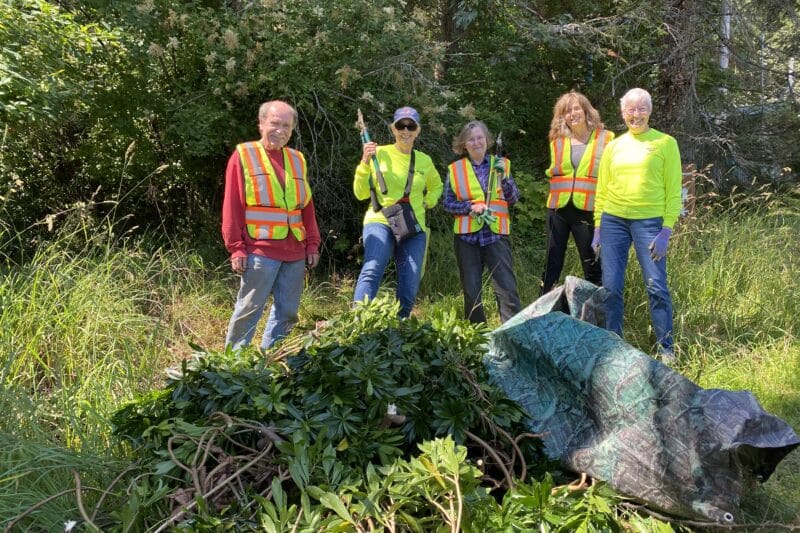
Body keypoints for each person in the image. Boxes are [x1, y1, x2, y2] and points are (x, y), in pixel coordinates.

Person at [222, 100, 321, 351]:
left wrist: (312, 244)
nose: (281, 130)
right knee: (248, 310)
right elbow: (232, 204)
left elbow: (306, 206)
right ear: (261, 123)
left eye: (286, 125)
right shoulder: (244, 155)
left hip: (295, 252)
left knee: (287, 312)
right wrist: (236, 247)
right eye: (275, 123)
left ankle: (272, 362)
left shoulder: (298, 159)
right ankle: (233, 367)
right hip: (260, 250)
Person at [592, 88, 682, 359]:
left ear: (650, 111)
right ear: (623, 113)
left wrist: (666, 229)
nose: (636, 114)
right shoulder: (613, 146)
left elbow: (673, 190)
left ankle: (667, 349)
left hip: (650, 223)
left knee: (656, 284)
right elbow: (602, 190)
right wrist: (597, 229)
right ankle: (614, 346)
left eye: (641, 108)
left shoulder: (666, 143)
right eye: (631, 109)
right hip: (613, 222)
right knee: (611, 286)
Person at [353, 106, 443, 317]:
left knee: (410, 278)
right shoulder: (378, 153)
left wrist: (429, 201)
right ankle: (358, 321)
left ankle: (400, 326)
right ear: (393, 129)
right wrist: (365, 162)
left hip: (413, 224)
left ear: (417, 130)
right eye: (400, 125)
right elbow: (360, 193)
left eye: (410, 126)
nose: (405, 130)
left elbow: (437, 186)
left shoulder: (424, 160)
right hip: (380, 219)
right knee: (373, 267)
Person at [442, 120, 522, 323]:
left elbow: (513, 198)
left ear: (487, 140)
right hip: (466, 238)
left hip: (496, 235)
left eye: (480, 137)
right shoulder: (455, 169)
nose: (476, 142)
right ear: (464, 144)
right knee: (471, 291)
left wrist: (504, 178)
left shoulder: (501, 164)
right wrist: (469, 208)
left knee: (507, 289)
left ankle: (512, 335)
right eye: (471, 139)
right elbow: (447, 204)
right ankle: (476, 338)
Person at [540, 91, 614, 294]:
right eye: (566, 111)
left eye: (576, 108)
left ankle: (597, 313)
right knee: (551, 263)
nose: (572, 114)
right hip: (558, 210)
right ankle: (543, 312)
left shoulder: (607, 138)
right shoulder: (557, 142)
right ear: (562, 117)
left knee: (593, 264)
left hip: (590, 210)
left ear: (586, 110)